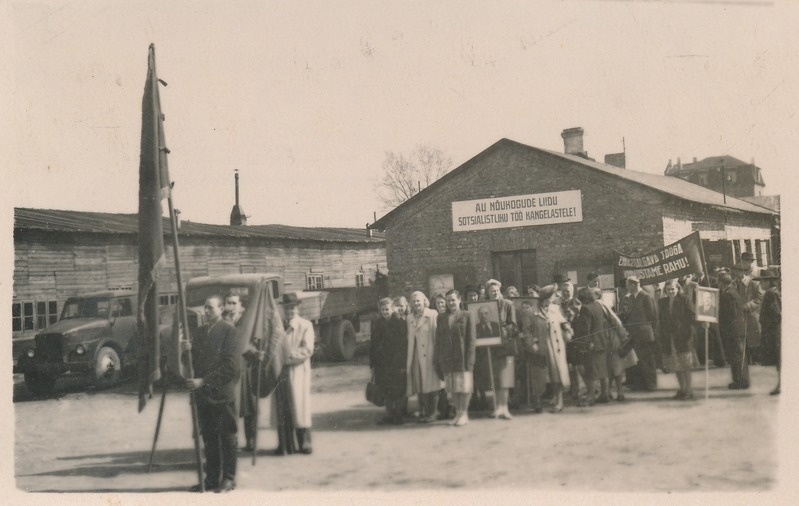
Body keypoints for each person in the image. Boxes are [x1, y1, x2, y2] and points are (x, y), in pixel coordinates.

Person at [184, 296, 241, 493]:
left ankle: (229, 479)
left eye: (210, 308)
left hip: (222, 394)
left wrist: (203, 381)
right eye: (205, 308)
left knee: (227, 437)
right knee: (209, 439)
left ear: (221, 309)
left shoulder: (230, 332)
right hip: (204, 396)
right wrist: (186, 351)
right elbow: (195, 363)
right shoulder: (199, 333)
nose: (206, 311)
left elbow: (231, 367)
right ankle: (211, 479)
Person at [271, 293, 314, 455]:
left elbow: (307, 349)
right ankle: (285, 444)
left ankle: (304, 442)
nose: (290, 311)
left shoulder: (305, 325)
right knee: (282, 408)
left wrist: (286, 358)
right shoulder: (277, 326)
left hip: (297, 371)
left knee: (299, 406)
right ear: (283, 308)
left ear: (298, 308)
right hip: (280, 371)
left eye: (293, 307)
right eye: (287, 308)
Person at [433, 290, 475, 427]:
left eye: (453, 300)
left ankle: (464, 414)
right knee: (453, 388)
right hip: (447, 358)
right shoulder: (441, 318)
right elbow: (438, 340)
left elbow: (471, 340)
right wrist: (438, 358)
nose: (450, 303)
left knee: (464, 388)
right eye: (448, 300)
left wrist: (470, 360)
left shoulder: (467, 315)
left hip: (462, 358)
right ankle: (458, 413)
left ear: (459, 300)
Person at [532, 284, 571, 412]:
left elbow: (563, 322)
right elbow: (527, 331)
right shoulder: (532, 312)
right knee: (539, 375)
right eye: (553, 296)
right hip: (540, 347)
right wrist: (532, 344)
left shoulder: (555, 308)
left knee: (557, 373)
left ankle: (559, 402)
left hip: (556, 346)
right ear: (546, 298)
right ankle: (537, 402)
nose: (555, 297)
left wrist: (568, 329)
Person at [406, 291, 442, 423]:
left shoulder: (432, 314)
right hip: (416, 356)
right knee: (420, 385)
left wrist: (437, 356)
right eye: (414, 301)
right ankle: (425, 412)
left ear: (424, 301)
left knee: (433, 385)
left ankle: (433, 413)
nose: (416, 303)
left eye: (418, 301)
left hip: (430, 355)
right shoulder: (409, 318)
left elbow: (437, 337)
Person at [657, 279, 697, 400]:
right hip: (669, 338)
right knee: (675, 365)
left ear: (678, 289)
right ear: (665, 290)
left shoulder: (685, 299)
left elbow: (692, 316)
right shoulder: (662, 302)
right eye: (668, 289)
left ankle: (689, 391)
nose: (671, 291)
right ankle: (682, 389)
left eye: (673, 289)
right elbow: (660, 319)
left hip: (683, 337)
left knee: (685, 365)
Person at [370, 297, 408, 424]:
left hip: (396, 363)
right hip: (382, 364)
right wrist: (373, 364)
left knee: (397, 390)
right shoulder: (377, 323)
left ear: (392, 309)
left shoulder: (399, 323)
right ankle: (389, 415)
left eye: (387, 309)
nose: (385, 312)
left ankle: (398, 415)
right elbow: (373, 345)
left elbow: (403, 345)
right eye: (382, 310)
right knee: (385, 389)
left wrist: (403, 364)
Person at [486, 279, 517, 419]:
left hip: (506, 345)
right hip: (491, 347)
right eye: (492, 292)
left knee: (505, 378)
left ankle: (505, 407)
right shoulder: (486, 306)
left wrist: (502, 331)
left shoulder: (508, 305)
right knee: (495, 379)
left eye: (497, 291)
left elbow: (514, 326)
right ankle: (497, 407)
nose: (495, 294)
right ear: (488, 293)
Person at [573, 287, 610, 405]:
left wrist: (582, 346)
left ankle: (590, 397)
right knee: (603, 370)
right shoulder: (598, 305)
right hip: (602, 342)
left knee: (591, 372)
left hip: (592, 344)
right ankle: (605, 394)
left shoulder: (585, 309)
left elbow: (585, 329)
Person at [623, 276, 658, 392]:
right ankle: (643, 384)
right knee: (640, 360)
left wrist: (652, 332)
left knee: (648, 360)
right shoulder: (632, 297)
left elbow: (653, 316)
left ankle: (652, 384)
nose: (626, 288)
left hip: (644, 333)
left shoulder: (645, 297)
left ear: (633, 285)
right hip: (635, 334)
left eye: (627, 285)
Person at [595, 287, 628, 401]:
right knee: (609, 367)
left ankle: (619, 392)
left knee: (614, 365)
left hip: (611, 337)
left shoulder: (601, 305)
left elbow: (616, 321)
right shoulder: (597, 305)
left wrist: (623, 336)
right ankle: (610, 391)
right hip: (605, 337)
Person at [718, 272, 749, 390]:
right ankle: (742, 380)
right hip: (737, 329)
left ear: (721, 282)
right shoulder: (733, 291)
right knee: (739, 355)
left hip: (732, 330)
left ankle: (740, 381)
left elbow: (729, 314)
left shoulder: (727, 294)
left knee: (736, 356)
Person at [754, 270, 781, 395]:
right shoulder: (771, 293)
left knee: (780, 358)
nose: (760, 284)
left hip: (774, 331)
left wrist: (767, 324)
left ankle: (781, 385)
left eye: (763, 282)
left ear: (768, 282)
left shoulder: (771, 294)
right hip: (774, 330)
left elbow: (776, 314)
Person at [731, 262, 763, 365]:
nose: (734, 273)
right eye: (734, 271)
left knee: (754, 339)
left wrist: (747, 306)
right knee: (742, 339)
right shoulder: (734, 284)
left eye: (736, 271)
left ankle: (756, 360)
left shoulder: (753, 283)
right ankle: (747, 361)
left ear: (743, 272)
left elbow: (759, 298)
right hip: (740, 317)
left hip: (751, 316)